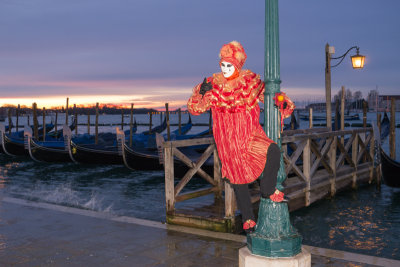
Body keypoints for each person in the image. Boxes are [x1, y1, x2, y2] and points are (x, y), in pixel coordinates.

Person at [187, 41, 294, 233]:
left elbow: (269, 95)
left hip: (249, 134)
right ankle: (248, 218)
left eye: (230, 65)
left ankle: (267, 189)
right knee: (237, 178)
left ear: (238, 65)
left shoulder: (249, 82)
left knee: (273, 150)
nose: (225, 69)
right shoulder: (214, 85)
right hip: (227, 139)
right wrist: (201, 93)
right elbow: (195, 109)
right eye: (223, 65)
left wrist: (281, 102)